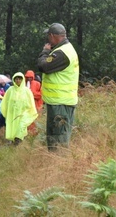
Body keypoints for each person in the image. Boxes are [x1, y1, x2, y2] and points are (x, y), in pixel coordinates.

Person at [37, 22, 79, 150]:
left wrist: (44, 52)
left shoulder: (62, 53)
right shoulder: (66, 50)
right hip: (60, 102)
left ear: (52, 36)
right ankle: (55, 166)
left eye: (48, 36)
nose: (48, 40)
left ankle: (58, 167)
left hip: (61, 103)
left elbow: (43, 66)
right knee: (55, 138)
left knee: (58, 140)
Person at [1, 72, 38, 145]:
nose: (18, 81)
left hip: (24, 113)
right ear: (14, 80)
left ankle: (18, 140)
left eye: (19, 79)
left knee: (21, 126)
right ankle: (14, 142)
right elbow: (5, 101)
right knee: (13, 127)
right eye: (16, 79)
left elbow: (31, 102)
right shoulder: (10, 90)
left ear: (22, 80)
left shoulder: (27, 90)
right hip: (13, 113)